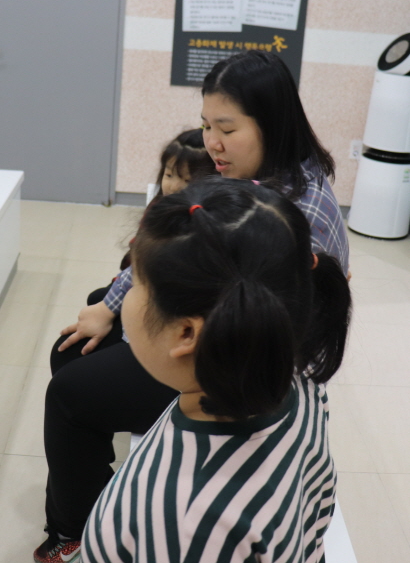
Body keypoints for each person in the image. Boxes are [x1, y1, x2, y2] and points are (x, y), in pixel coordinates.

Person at [35, 52, 349, 562]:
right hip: (231, 340)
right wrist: (113, 303)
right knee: (80, 340)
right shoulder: (276, 178)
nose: (211, 143)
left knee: (70, 388)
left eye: (226, 128)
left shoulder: (291, 209)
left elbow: (201, 279)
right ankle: (84, 487)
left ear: (272, 123)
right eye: (206, 125)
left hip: (240, 365)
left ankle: (72, 526)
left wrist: (121, 300)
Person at [81, 177, 350, 561]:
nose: (126, 297)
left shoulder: (184, 522)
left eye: (136, 284)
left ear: (186, 332)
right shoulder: (294, 377)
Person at [52, 128, 217, 377]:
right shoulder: (162, 207)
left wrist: (108, 308)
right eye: (169, 174)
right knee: (94, 302)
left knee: (69, 372)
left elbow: (145, 275)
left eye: (187, 180)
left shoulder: (194, 226)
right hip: (142, 293)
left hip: (160, 319)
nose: (174, 186)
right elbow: (136, 268)